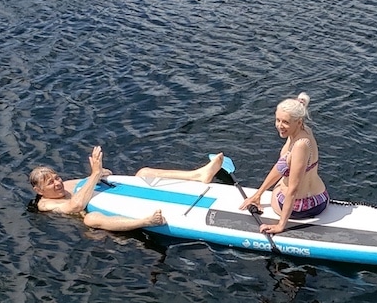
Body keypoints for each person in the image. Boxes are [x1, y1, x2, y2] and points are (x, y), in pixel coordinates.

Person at [28, 146, 224, 231]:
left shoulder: (68, 184)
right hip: (92, 217)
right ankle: (145, 222)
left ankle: (198, 175)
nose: (58, 183)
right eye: (50, 183)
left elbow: (104, 173)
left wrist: (100, 171)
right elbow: (75, 206)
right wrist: (95, 174)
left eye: (57, 178)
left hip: (109, 198)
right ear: (39, 191)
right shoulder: (46, 205)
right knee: (90, 219)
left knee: (143, 172)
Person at [240, 92, 328, 234]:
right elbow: (282, 165)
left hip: (301, 208)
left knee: (281, 184)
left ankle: (273, 207)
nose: (280, 126)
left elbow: (293, 189)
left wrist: (281, 225)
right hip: (321, 199)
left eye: (285, 122)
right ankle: (258, 195)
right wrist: (258, 195)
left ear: (298, 122)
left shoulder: (300, 146)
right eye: (278, 120)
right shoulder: (303, 131)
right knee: (282, 173)